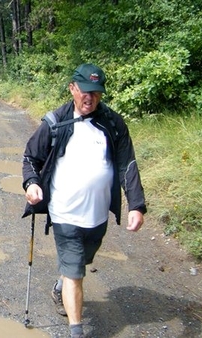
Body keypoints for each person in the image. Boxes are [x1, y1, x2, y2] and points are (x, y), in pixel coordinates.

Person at [21, 64, 146, 338]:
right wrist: (31, 184)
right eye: (85, 92)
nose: (90, 98)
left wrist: (135, 204)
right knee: (76, 273)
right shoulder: (55, 122)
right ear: (72, 88)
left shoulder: (113, 123)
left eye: (96, 93)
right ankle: (76, 331)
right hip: (65, 213)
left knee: (80, 264)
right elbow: (31, 157)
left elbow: (127, 164)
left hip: (97, 216)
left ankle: (61, 284)